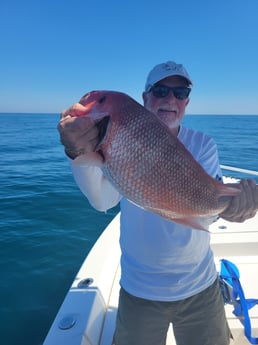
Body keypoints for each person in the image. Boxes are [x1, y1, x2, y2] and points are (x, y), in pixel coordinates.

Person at [58, 61, 258, 345]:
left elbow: (207, 209)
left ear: (187, 101)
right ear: (145, 98)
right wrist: (76, 151)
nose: (170, 99)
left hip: (200, 286)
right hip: (140, 292)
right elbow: (103, 199)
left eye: (180, 92)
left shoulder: (203, 144)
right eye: (161, 90)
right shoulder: (114, 137)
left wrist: (236, 208)